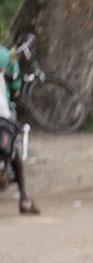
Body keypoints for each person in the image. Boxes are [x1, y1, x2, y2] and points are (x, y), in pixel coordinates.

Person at [0, 43, 35, 214]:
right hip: (3, 114)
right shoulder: (8, 56)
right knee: (15, 149)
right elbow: (15, 88)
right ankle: (24, 197)